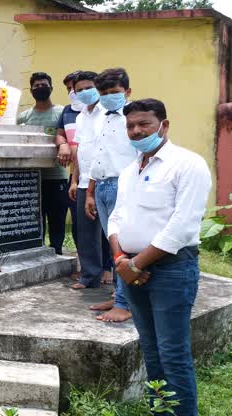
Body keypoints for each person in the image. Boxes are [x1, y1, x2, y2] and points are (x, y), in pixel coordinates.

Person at [109, 98, 211, 416]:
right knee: (151, 352)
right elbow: (116, 218)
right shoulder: (129, 171)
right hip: (131, 270)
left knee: (172, 353)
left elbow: (181, 227)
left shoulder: (187, 164)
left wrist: (136, 264)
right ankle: (162, 411)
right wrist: (120, 260)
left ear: (164, 125)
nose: (137, 131)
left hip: (170, 270)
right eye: (130, 126)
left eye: (144, 124)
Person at [84, 68, 139, 322]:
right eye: (104, 93)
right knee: (113, 245)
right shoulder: (102, 117)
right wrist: (91, 193)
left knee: (124, 246)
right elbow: (98, 156)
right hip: (103, 186)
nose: (108, 97)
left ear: (127, 92)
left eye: (114, 92)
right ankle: (118, 295)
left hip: (124, 185)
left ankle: (126, 304)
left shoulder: (135, 120)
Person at [17, 72, 69, 255]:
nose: (40, 88)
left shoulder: (62, 113)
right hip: (31, 177)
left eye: (44, 85)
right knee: (34, 218)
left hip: (57, 177)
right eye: (36, 86)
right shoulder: (23, 117)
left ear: (51, 88)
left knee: (57, 218)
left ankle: (57, 252)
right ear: (31, 90)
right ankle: (36, 251)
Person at [70, 71, 112, 289]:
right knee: (85, 233)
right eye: (79, 90)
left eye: (89, 87)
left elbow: (103, 151)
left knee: (112, 231)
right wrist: (75, 180)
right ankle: (90, 276)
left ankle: (115, 274)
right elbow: (80, 151)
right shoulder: (80, 116)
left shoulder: (109, 113)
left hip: (105, 181)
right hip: (84, 181)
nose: (84, 92)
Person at [55, 71, 83, 263]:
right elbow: (60, 133)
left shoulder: (98, 112)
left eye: (76, 88)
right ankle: (85, 264)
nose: (72, 92)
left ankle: (108, 267)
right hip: (75, 176)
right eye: (68, 89)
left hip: (98, 175)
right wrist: (62, 143)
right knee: (78, 223)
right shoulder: (67, 111)